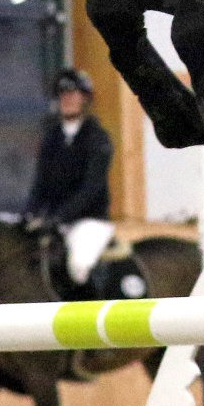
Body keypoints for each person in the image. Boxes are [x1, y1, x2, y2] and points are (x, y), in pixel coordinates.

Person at [25, 67, 116, 287]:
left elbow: (91, 188)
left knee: (79, 264)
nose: (68, 99)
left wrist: (60, 216)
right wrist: (31, 213)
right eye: (63, 95)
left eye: (74, 94)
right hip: (55, 221)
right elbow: (41, 183)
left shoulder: (97, 138)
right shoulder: (51, 137)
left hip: (88, 220)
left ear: (84, 99)